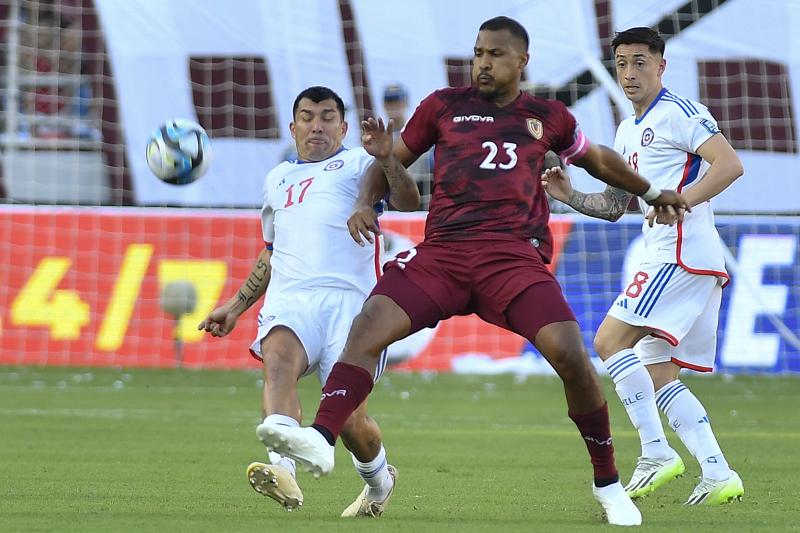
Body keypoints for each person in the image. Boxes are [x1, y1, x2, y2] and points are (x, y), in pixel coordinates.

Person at [258, 17, 691, 527]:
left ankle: (609, 484)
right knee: (368, 323)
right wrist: (361, 200)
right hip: (444, 254)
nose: (483, 63)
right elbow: (389, 162)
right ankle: (323, 439)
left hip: (512, 260)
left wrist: (653, 192)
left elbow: (598, 160)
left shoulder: (546, 117)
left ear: (521, 61)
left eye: (495, 55)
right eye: (478, 53)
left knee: (572, 356)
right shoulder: (444, 106)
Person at [541, 27, 745, 506]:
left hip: (679, 252)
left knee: (608, 341)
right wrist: (567, 195)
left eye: (640, 62)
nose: (629, 73)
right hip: (675, 255)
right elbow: (615, 205)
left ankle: (655, 452)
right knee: (658, 374)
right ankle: (718, 472)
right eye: (622, 63)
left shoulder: (680, 112)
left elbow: (730, 164)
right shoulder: (626, 130)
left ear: (661, 65)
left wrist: (682, 199)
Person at [198, 86, 409, 517]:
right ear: (292, 128)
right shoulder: (276, 179)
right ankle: (283, 472)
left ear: (344, 127)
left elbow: (407, 201)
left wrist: (387, 157)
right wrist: (236, 307)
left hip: (353, 307)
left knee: (352, 423)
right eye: (308, 117)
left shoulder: (359, 164)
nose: (317, 125)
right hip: (291, 299)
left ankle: (380, 479)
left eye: (328, 117)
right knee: (277, 362)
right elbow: (272, 252)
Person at [382, 83, 434, 209]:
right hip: (390, 195)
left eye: (396, 100)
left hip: (420, 193)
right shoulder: (380, 138)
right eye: (389, 101)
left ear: (405, 102)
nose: (393, 105)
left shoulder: (418, 132)